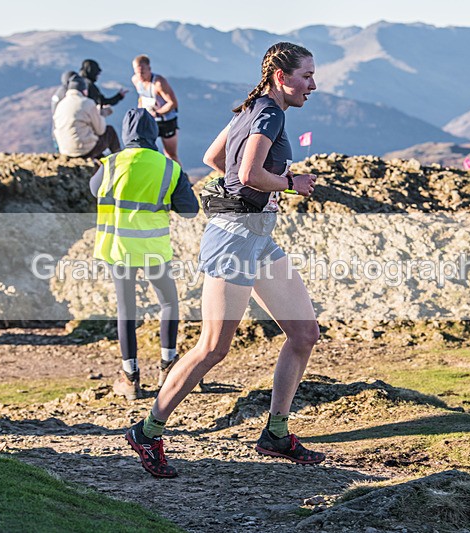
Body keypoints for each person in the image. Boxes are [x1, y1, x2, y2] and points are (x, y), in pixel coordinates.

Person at [125, 42, 323, 478]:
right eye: (307, 76)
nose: (313, 85)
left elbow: (213, 159)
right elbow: (249, 174)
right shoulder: (268, 114)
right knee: (213, 347)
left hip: (256, 238)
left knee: (304, 333)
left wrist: (251, 191)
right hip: (234, 240)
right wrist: (289, 183)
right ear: (281, 77)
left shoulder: (251, 109)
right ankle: (147, 431)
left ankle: (276, 433)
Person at [91, 108, 199, 400]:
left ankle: (130, 379)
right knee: (169, 303)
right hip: (154, 250)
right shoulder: (169, 168)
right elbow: (190, 211)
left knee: (126, 310)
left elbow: (93, 189)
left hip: (118, 249)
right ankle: (168, 368)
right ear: (154, 134)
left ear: (126, 133)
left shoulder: (111, 164)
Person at [53, 76, 121, 159]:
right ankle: (120, 159)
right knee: (110, 131)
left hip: (65, 150)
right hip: (83, 150)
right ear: (84, 90)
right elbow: (100, 130)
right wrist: (101, 114)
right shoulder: (87, 103)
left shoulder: (60, 104)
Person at [132, 55, 180, 164]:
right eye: (137, 72)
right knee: (145, 150)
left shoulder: (159, 83)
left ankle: (180, 174)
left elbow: (173, 103)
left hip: (166, 121)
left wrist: (157, 113)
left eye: (143, 72)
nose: (140, 76)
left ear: (149, 68)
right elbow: (141, 97)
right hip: (149, 119)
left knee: (170, 154)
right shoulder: (135, 80)